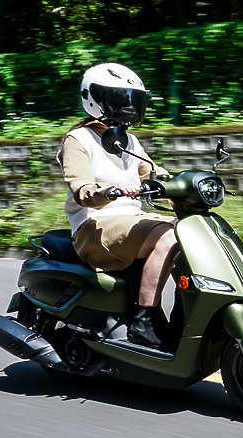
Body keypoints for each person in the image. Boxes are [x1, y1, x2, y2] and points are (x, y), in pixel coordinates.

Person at [57, 63, 178, 348]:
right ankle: (144, 320)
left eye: (131, 99)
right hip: (94, 226)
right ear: (94, 98)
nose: (127, 107)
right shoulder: (78, 139)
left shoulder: (129, 141)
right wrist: (108, 192)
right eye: (119, 99)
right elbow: (82, 190)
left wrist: (187, 189)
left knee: (188, 229)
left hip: (130, 220)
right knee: (169, 234)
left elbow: (155, 174)